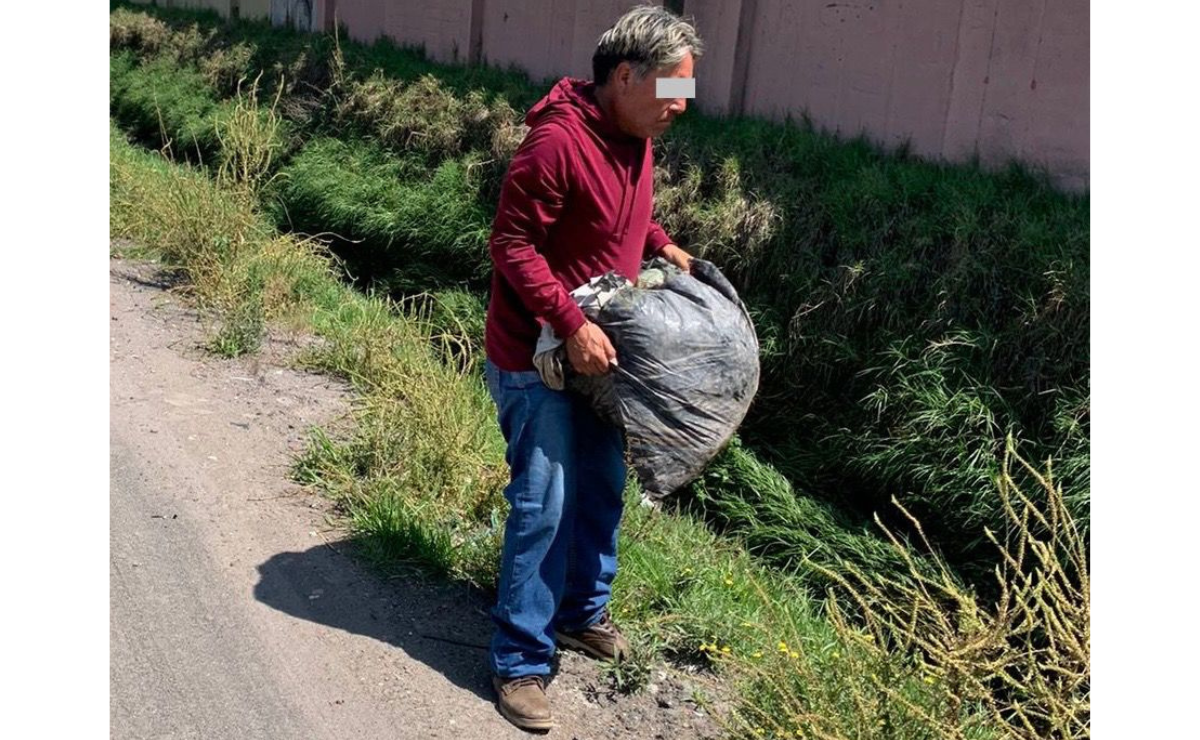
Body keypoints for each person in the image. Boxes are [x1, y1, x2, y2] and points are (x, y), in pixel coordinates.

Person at [482, 4, 706, 731]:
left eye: (686, 90)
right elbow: (512, 245)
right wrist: (572, 322)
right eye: (672, 88)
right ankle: (520, 660)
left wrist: (661, 244)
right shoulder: (556, 142)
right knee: (544, 502)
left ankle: (580, 614)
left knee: (604, 486)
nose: (681, 105)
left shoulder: (635, 134)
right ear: (624, 76)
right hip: (538, 356)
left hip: (597, 359)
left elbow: (620, 211)